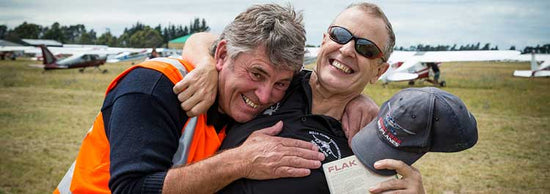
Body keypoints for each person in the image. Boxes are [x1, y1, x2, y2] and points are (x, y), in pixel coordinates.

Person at [54, 4, 327, 194]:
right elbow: (131, 189)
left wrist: (356, 103)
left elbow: (323, 84)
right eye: (256, 73)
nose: (265, 95)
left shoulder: (241, 91)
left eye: (280, 83)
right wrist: (240, 161)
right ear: (221, 56)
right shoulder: (154, 86)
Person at [174, 3, 425, 193]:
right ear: (325, 39)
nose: (347, 49)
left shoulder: (369, 136)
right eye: (340, 35)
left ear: (379, 72)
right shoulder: (276, 82)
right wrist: (206, 65)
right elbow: (204, 39)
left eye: (366, 49)